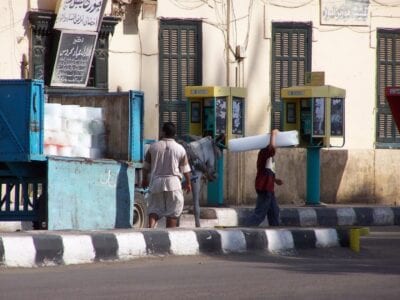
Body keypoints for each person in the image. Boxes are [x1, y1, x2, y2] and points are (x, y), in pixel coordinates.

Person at [142, 122, 192, 228]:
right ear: (174, 134)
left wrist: (144, 179)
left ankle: (150, 231)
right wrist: (188, 183)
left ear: (163, 132)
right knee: (173, 213)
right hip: (174, 184)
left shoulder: (153, 147)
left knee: (154, 209)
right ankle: (170, 235)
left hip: (156, 183)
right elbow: (185, 169)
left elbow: (146, 166)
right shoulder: (180, 149)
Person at [246, 129, 283, 227]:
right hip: (264, 187)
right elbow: (272, 149)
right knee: (260, 214)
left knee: (274, 212)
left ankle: (276, 232)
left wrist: (275, 180)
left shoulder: (269, 156)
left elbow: (268, 171)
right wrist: (273, 135)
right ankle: (246, 229)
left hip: (269, 188)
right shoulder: (265, 152)